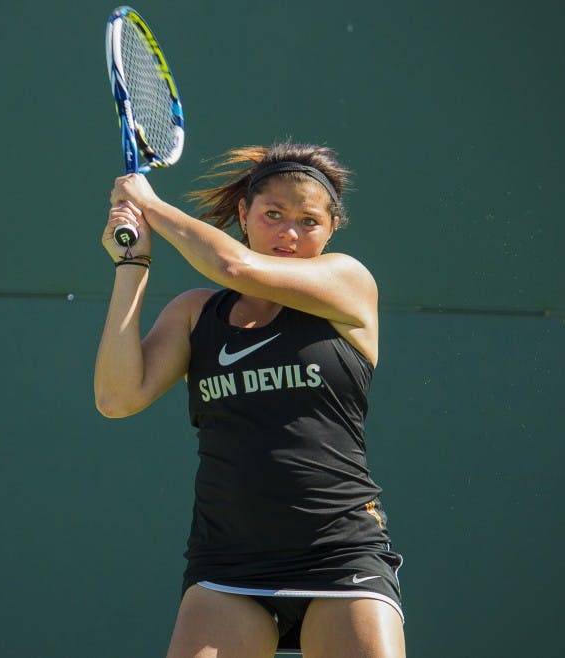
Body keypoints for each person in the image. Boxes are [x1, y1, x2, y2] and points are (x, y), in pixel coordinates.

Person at [94, 141, 405, 658]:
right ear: (244, 214)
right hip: (228, 565)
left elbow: (233, 267)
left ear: (331, 229)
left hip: (340, 553)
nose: (288, 233)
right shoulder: (196, 314)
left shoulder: (348, 281)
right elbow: (116, 397)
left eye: (308, 221)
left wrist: (151, 204)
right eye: (273, 214)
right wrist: (132, 264)